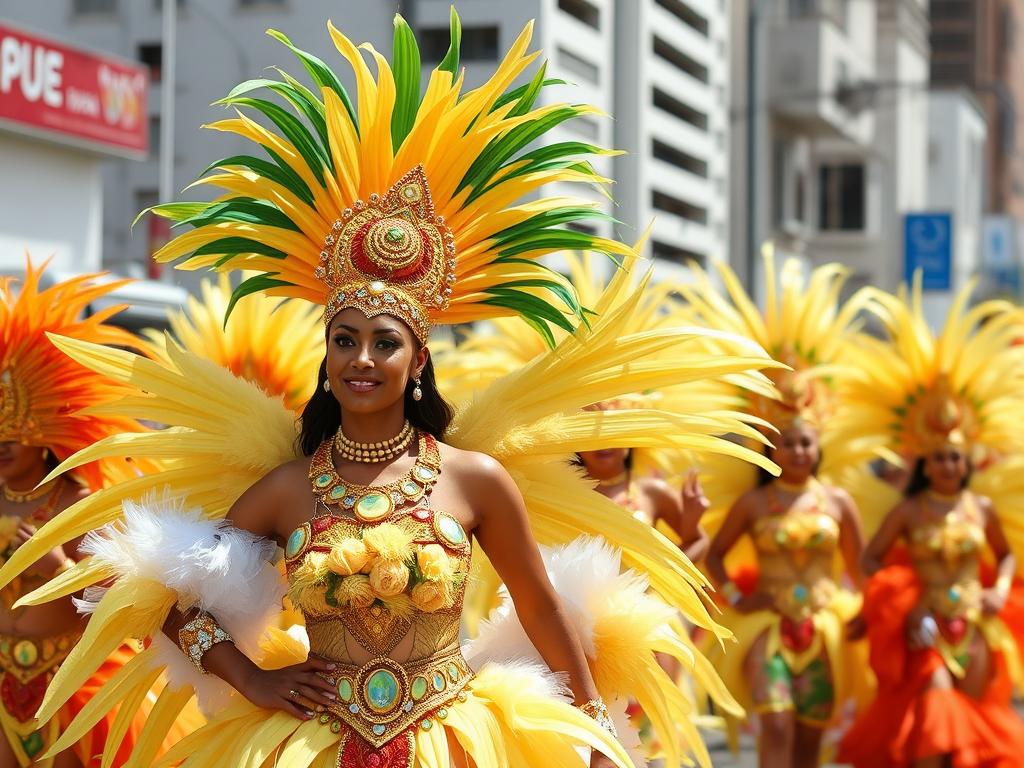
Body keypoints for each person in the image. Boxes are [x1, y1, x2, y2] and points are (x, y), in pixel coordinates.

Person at [0, 13, 784, 768]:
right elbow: (177, 604)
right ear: (326, 356)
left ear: (418, 363)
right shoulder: (286, 491)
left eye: (385, 343)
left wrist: (595, 731)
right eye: (344, 340)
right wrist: (254, 678)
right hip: (314, 743)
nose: (361, 359)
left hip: (454, 740)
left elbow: (540, 607)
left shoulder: (474, 479)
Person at [685, 253, 870, 768]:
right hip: (766, 624)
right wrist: (740, 596)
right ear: (771, 449)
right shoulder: (753, 502)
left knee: (812, 738)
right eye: (787, 444)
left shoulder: (838, 502)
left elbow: (861, 566)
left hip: (825, 625)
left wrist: (868, 611)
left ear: (819, 447)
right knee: (777, 721)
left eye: (806, 443)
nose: (798, 452)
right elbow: (715, 556)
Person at [836, 281, 1024, 768]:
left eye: (954, 458)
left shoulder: (980, 509)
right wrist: (899, 603)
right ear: (926, 462)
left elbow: (1005, 554)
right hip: (922, 631)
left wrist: (1000, 587)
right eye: (938, 458)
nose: (946, 465)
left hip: (974, 627)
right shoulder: (908, 511)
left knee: (972, 727)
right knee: (934, 724)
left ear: (967, 462)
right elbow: (870, 558)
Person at [0, 262, 149, 768]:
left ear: (43, 430)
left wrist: (59, 573)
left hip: (70, 682)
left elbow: (122, 604)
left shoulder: (82, 503)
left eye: (13, 430)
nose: (3, 445)